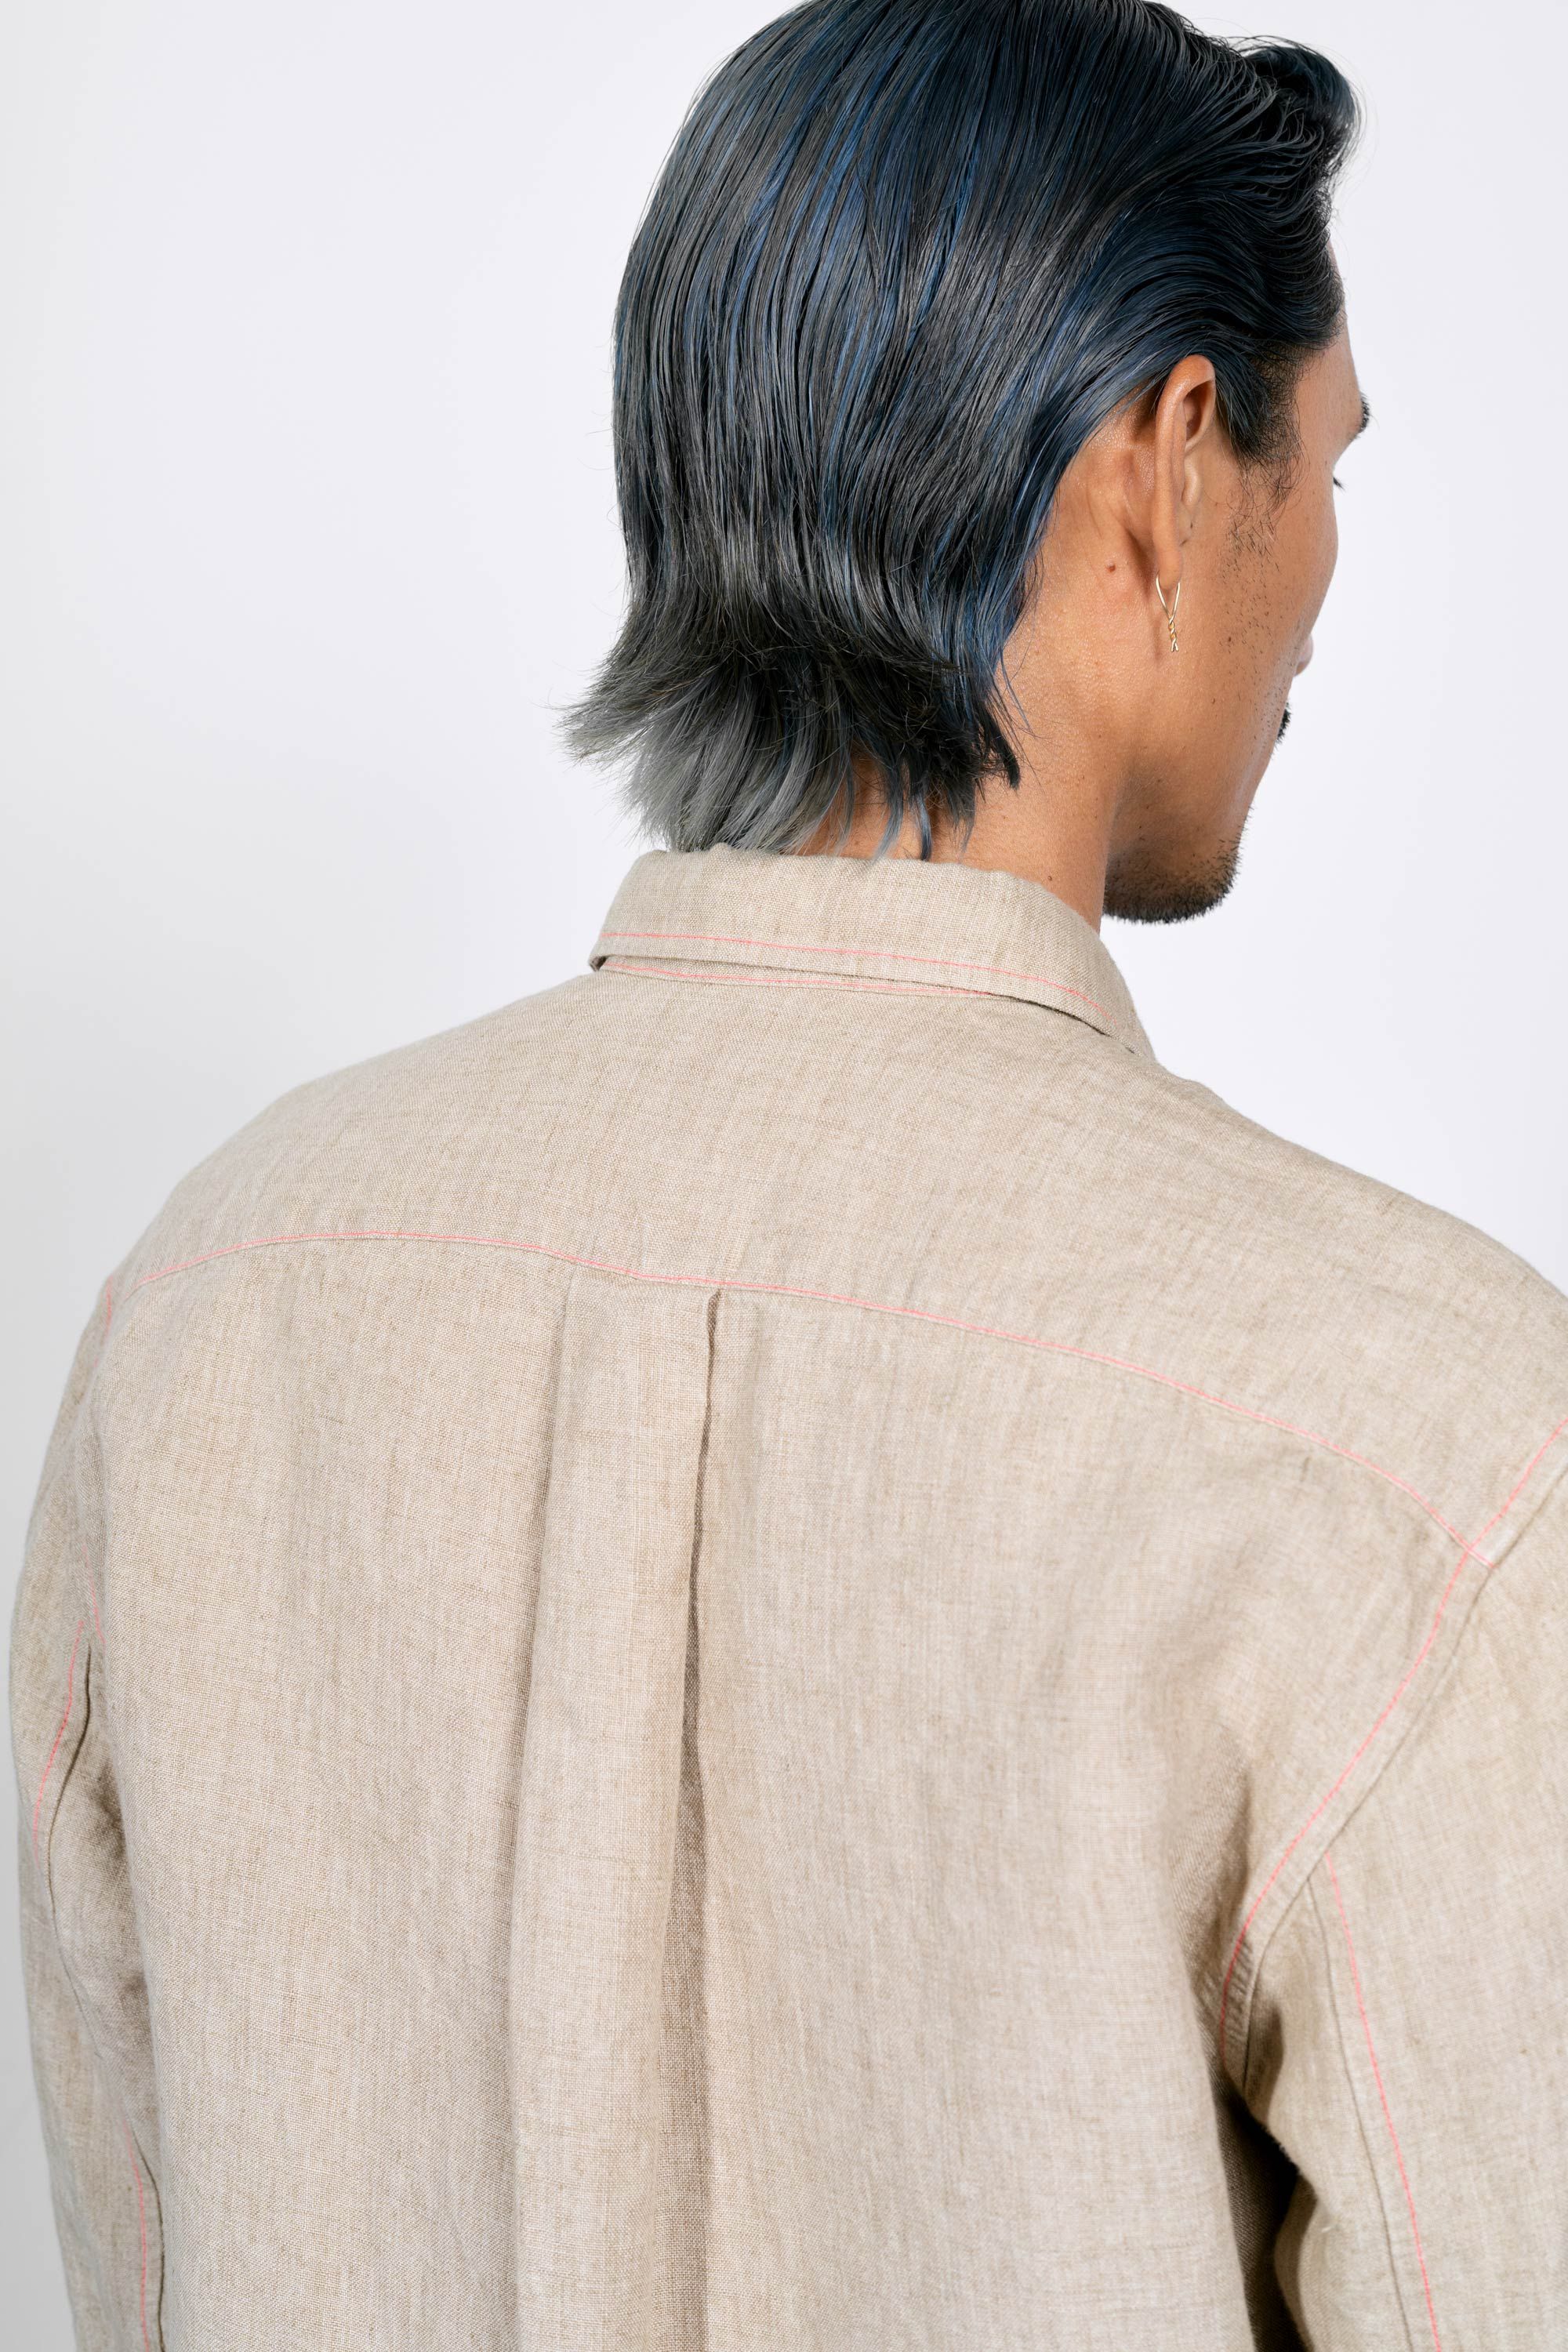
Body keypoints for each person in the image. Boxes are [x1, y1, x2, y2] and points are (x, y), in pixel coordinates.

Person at [13, 1, 1566, 2344]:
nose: (1330, 569)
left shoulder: (211, 1314)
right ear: (1167, 468)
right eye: (1327, 457)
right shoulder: (1423, 1450)